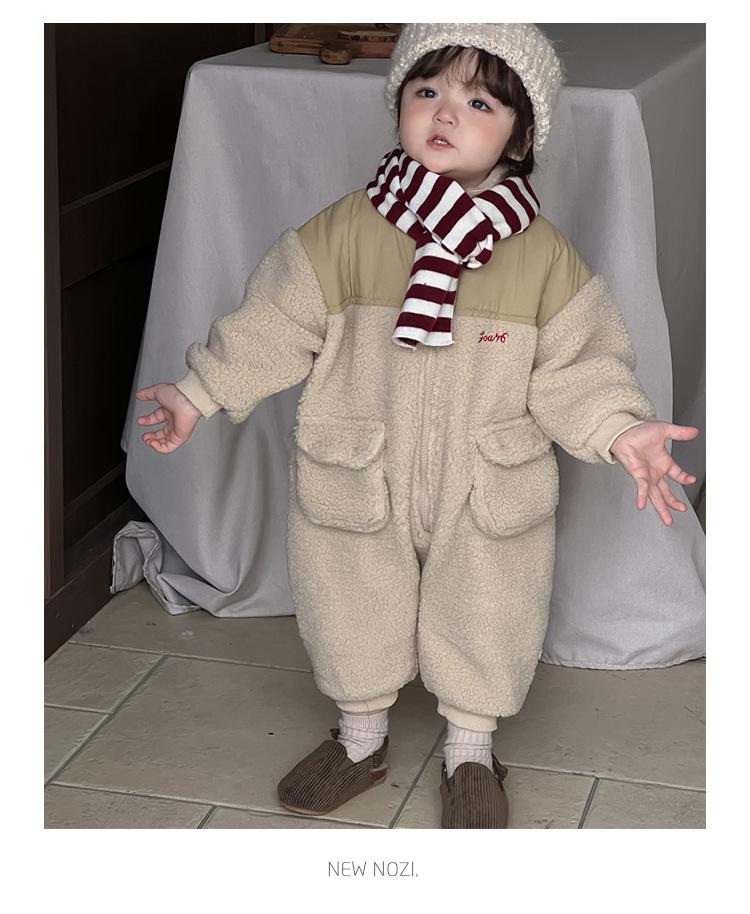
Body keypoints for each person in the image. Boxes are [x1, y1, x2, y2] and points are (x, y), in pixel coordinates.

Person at [134, 23, 699, 828]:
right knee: (350, 603)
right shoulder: (345, 233)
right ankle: (359, 739)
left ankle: (471, 751)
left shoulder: (542, 259)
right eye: (426, 90)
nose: (445, 113)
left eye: (479, 102)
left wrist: (621, 429)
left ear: (521, 135)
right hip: (359, 468)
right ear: (398, 102)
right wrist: (200, 391)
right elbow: (271, 325)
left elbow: (580, 368)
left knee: (488, 612)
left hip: (487, 479)